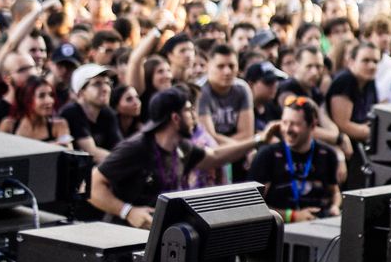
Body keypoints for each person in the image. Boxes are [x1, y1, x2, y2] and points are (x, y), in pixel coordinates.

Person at [89, 86, 280, 229]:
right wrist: (127, 211)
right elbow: (91, 185)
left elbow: (214, 157)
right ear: (175, 118)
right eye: (189, 110)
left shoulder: (180, 147)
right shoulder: (137, 148)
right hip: (123, 240)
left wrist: (258, 140)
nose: (194, 116)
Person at [249, 96, 341, 221]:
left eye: (295, 124)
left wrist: (335, 207)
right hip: (281, 228)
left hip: (319, 224)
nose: (287, 130)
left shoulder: (327, 154)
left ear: (312, 125)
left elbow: (335, 191)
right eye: (284, 122)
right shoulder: (268, 155)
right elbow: (253, 206)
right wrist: (292, 216)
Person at [60, 64, 120, 164]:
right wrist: (124, 160)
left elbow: (119, 147)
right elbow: (92, 153)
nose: (106, 88)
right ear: (81, 92)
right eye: (97, 84)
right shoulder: (71, 113)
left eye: (107, 83)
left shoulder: (107, 113)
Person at [0, 76, 72, 144]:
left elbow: (68, 153)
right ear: (27, 99)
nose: (50, 100)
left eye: (51, 95)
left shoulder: (59, 125)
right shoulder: (8, 125)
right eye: (41, 96)